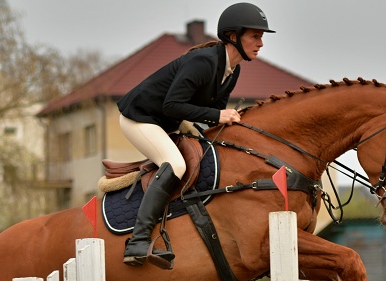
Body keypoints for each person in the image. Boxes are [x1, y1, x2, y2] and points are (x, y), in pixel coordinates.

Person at [116, 3, 274, 267]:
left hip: (168, 123)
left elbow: (209, 113)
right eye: (255, 36)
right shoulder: (203, 62)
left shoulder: (232, 71)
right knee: (176, 165)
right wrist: (219, 116)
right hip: (139, 118)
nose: (260, 43)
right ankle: (137, 241)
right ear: (233, 36)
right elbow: (172, 105)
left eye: (261, 38)